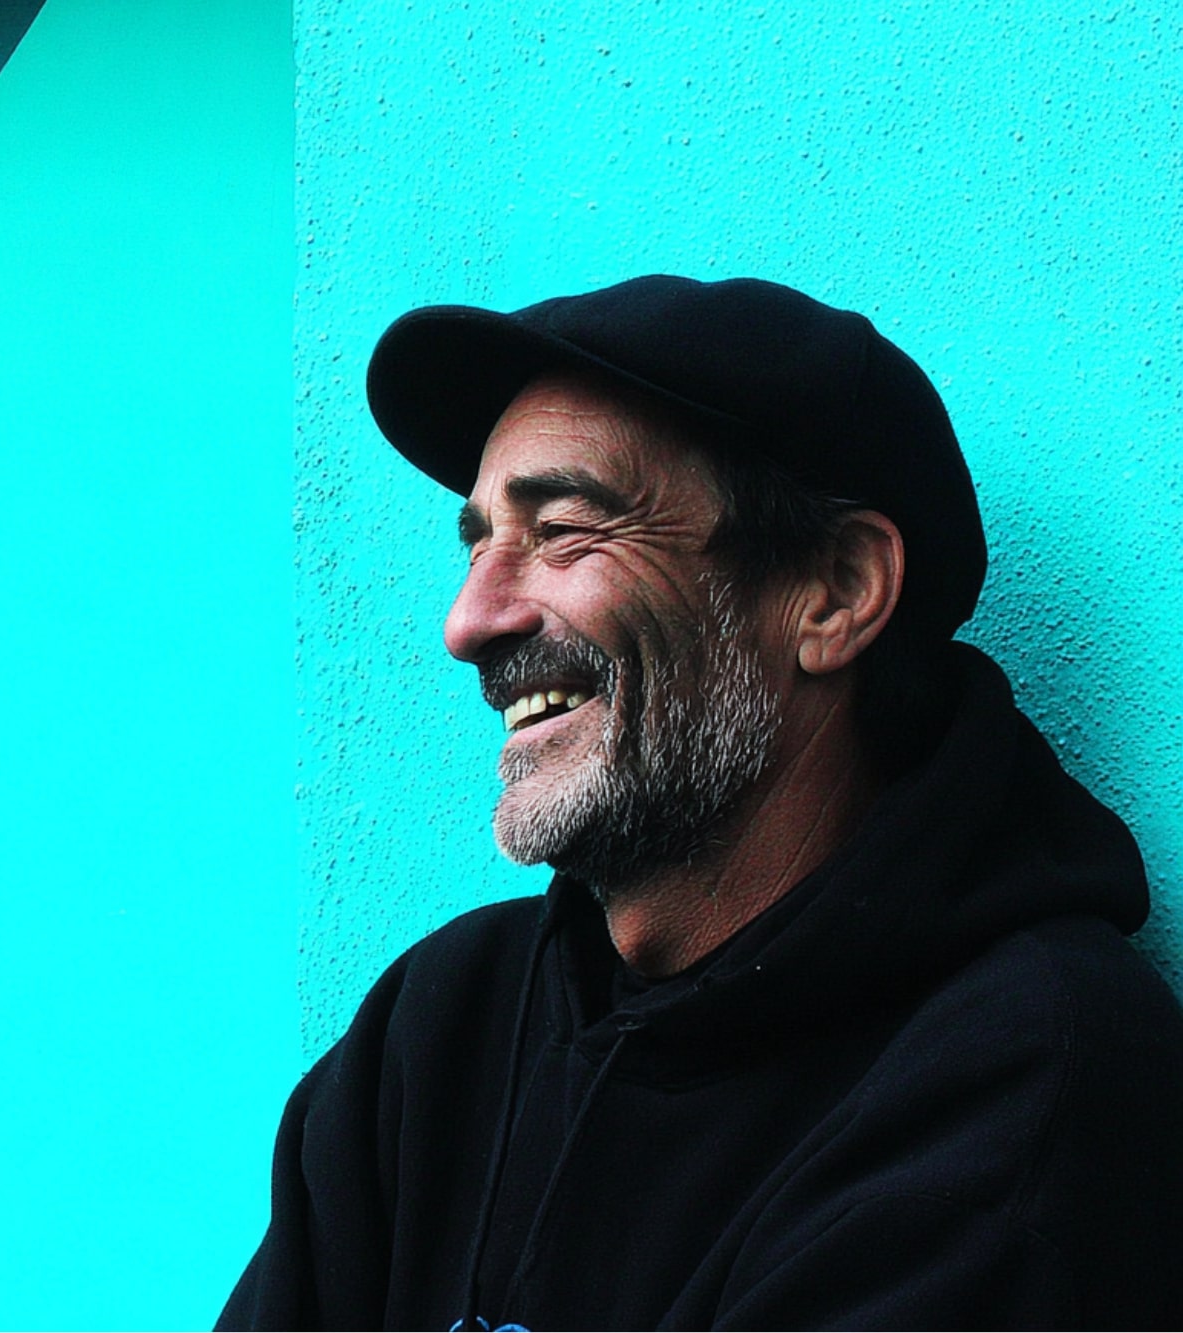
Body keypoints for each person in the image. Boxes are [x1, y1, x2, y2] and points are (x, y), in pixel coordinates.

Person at [220, 275, 1183, 1329]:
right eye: (477, 541)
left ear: (835, 591)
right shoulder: (441, 1027)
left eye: (564, 529)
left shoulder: (1022, 1080)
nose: (469, 620)